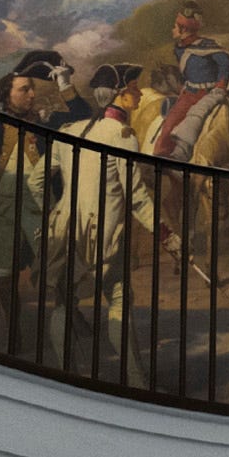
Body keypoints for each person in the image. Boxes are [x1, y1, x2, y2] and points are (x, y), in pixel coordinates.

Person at [54, 63, 180, 385]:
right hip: (103, 237)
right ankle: (138, 383)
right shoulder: (123, 136)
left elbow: (40, 181)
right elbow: (137, 198)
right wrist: (166, 236)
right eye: (134, 88)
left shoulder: (71, 132)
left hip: (67, 231)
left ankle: (62, 373)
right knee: (119, 298)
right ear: (121, 95)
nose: (139, 93)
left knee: (64, 298)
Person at [0, 70, 65, 346]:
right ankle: (14, 330)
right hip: (4, 210)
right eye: (23, 90)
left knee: (55, 265)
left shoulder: (44, 128)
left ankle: (69, 317)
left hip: (41, 208)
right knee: (3, 274)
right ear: (7, 94)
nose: (31, 94)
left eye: (31, 89)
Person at [153, 3, 229, 161]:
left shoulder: (206, 46)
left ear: (183, 30)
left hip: (206, 95)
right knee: (168, 126)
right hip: (188, 93)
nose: (172, 29)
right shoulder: (180, 48)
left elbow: (225, 62)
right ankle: (162, 158)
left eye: (175, 26)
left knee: (174, 124)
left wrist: (220, 86)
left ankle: (172, 158)